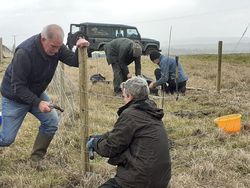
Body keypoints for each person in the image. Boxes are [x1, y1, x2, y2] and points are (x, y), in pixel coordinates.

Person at [0, 24, 89, 169]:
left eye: (58, 47)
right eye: (53, 47)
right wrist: (38, 103)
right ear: (43, 39)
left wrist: (80, 47)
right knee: (6, 139)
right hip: (14, 97)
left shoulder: (57, 47)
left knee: (51, 123)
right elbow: (18, 87)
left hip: (36, 92)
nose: (56, 51)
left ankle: (36, 159)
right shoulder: (25, 52)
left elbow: (75, 62)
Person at [87, 76, 171, 188]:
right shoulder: (151, 112)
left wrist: (95, 144)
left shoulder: (130, 114)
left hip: (140, 180)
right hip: (161, 178)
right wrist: (100, 137)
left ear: (129, 96)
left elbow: (111, 147)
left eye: (123, 96)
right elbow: (119, 135)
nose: (123, 99)